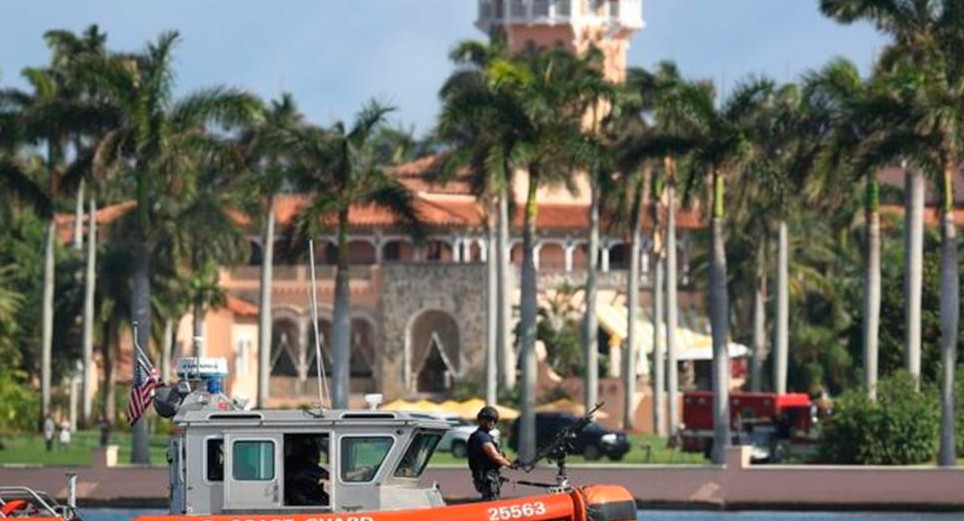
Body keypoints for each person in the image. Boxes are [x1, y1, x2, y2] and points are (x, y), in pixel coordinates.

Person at [468, 406, 514, 501]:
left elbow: (498, 454)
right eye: (489, 419)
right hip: (487, 478)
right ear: (481, 420)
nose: (492, 422)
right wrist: (510, 465)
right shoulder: (481, 437)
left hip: (489, 476)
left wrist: (506, 459)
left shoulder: (485, 436)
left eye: (495, 420)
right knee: (491, 503)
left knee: (490, 500)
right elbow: (495, 456)